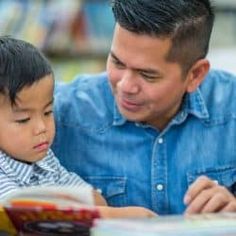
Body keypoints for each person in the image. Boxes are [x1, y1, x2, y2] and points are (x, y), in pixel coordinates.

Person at [52, 0, 236, 215]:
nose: (125, 86)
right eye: (117, 62)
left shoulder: (231, 108)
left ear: (195, 74)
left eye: (147, 75)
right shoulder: (54, 114)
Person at [0, 36, 155, 218]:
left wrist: (88, 202)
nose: (41, 127)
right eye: (24, 120)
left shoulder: (45, 159)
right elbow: (20, 215)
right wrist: (116, 215)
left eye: (48, 112)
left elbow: (94, 199)